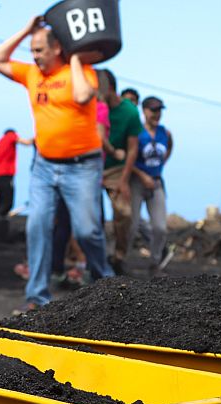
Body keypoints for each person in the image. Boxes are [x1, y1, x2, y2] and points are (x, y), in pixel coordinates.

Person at [0, 16, 113, 312]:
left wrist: (78, 58)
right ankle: (37, 296)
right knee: (38, 225)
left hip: (82, 166)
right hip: (44, 165)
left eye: (39, 49)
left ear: (57, 48)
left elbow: (84, 96)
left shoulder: (81, 71)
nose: (34, 56)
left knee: (86, 231)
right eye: (32, 50)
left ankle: (106, 281)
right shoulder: (31, 75)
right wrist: (26, 30)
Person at [100, 69, 144, 275]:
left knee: (124, 214)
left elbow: (133, 148)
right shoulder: (92, 107)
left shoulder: (129, 112)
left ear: (109, 88)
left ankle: (119, 256)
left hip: (117, 168)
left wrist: (125, 180)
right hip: (91, 166)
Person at [128, 96, 174, 276]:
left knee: (160, 227)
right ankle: (122, 260)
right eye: (153, 110)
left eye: (159, 110)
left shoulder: (165, 133)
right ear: (144, 111)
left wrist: (159, 167)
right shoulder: (137, 132)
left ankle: (155, 262)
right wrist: (141, 175)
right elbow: (128, 158)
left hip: (156, 182)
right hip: (137, 183)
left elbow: (169, 148)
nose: (157, 114)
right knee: (131, 226)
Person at [0, 129, 33, 217]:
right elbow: (27, 143)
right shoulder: (10, 136)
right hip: (5, 176)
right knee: (7, 204)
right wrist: (39, 138)